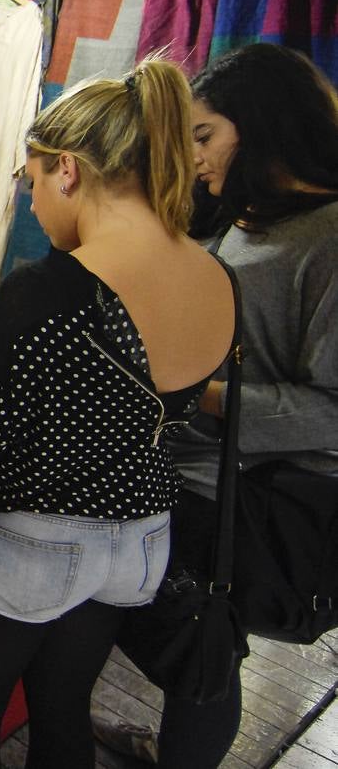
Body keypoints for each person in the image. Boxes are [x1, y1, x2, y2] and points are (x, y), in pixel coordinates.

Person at [0, 57, 235, 768]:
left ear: (66, 169)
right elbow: (140, 400)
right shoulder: (214, 274)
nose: (29, 204)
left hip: (26, 544)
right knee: (61, 711)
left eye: (28, 184)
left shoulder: (44, 292)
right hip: (135, 543)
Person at [98, 45, 338, 768]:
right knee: (183, 630)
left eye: (205, 137)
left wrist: (191, 388)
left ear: (262, 122)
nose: (196, 157)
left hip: (256, 490)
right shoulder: (242, 218)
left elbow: (330, 410)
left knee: (200, 637)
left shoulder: (327, 238)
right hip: (194, 461)